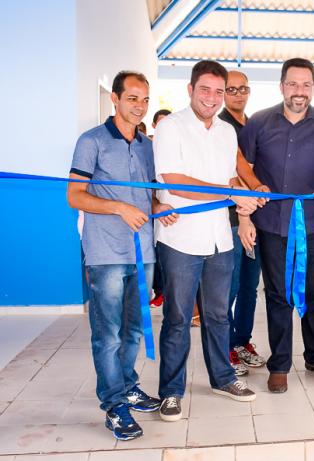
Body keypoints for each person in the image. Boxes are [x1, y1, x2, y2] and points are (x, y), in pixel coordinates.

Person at [154, 60, 260, 422]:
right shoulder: (170, 127)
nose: (212, 98)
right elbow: (174, 181)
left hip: (219, 239)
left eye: (218, 91)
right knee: (178, 318)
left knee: (218, 315)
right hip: (180, 238)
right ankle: (171, 391)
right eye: (205, 89)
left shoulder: (227, 132)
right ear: (190, 89)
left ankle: (223, 378)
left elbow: (229, 179)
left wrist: (245, 201)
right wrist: (230, 195)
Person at [67, 71, 171, 440]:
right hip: (105, 253)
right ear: (115, 98)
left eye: (145, 99)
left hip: (142, 252)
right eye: (132, 98)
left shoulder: (146, 145)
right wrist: (118, 208)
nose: (140, 106)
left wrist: (158, 208)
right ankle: (114, 406)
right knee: (107, 335)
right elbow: (74, 196)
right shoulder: (91, 141)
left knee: (134, 329)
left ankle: (127, 385)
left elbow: (144, 196)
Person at [236, 58, 314, 394]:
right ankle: (280, 364)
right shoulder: (259, 121)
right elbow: (242, 165)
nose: (300, 91)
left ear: (313, 87)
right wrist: (252, 194)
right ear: (282, 86)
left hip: (313, 223)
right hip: (272, 224)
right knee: (278, 294)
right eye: (293, 84)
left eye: (306, 84)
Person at [218, 70, 266, 375]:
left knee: (250, 286)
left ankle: (241, 342)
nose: (238, 94)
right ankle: (224, 349)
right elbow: (230, 175)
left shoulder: (255, 124)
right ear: (222, 93)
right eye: (231, 89)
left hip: (258, 219)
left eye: (243, 88)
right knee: (230, 287)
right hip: (231, 221)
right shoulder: (219, 126)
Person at [149, 108, 172, 307]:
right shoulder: (147, 147)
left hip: (168, 212)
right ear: (154, 125)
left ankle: (163, 291)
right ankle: (159, 290)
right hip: (148, 210)